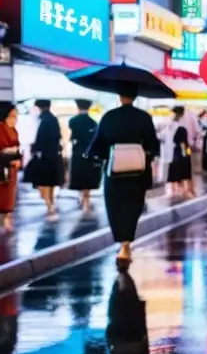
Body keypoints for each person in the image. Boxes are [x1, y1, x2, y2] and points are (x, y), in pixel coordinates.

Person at [86, 83, 161, 264]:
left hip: (114, 170)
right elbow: (153, 145)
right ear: (135, 97)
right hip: (138, 172)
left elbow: (97, 145)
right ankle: (127, 244)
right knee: (133, 207)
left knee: (115, 207)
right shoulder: (143, 117)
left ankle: (122, 243)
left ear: (119, 97)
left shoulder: (109, 117)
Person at [0, 103, 23, 231]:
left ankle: (8, 219)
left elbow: (17, 148)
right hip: (0, 166)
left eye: (16, 116)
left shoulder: (13, 130)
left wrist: (17, 159)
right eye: (12, 116)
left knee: (9, 196)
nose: (15, 119)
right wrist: (11, 158)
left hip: (12, 167)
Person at [26, 99, 63, 220]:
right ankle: (51, 203)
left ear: (39, 107)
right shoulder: (53, 119)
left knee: (43, 182)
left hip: (44, 156)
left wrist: (35, 149)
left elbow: (40, 139)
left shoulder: (44, 120)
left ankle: (49, 204)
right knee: (51, 181)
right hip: (53, 155)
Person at [68, 99, 101, 213]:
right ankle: (87, 198)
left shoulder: (73, 121)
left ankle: (82, 198)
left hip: (77, 151)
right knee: (88, 175)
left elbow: (72, 136)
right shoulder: (93, 122)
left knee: (79, 175)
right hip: (89, 152)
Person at [166, 107, 194, 197]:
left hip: (177, 150)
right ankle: (183, 189)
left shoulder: (173, 124)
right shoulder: (180, 124)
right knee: (183, 169)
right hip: (182, 149)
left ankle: (179, 189)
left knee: (177, 168)